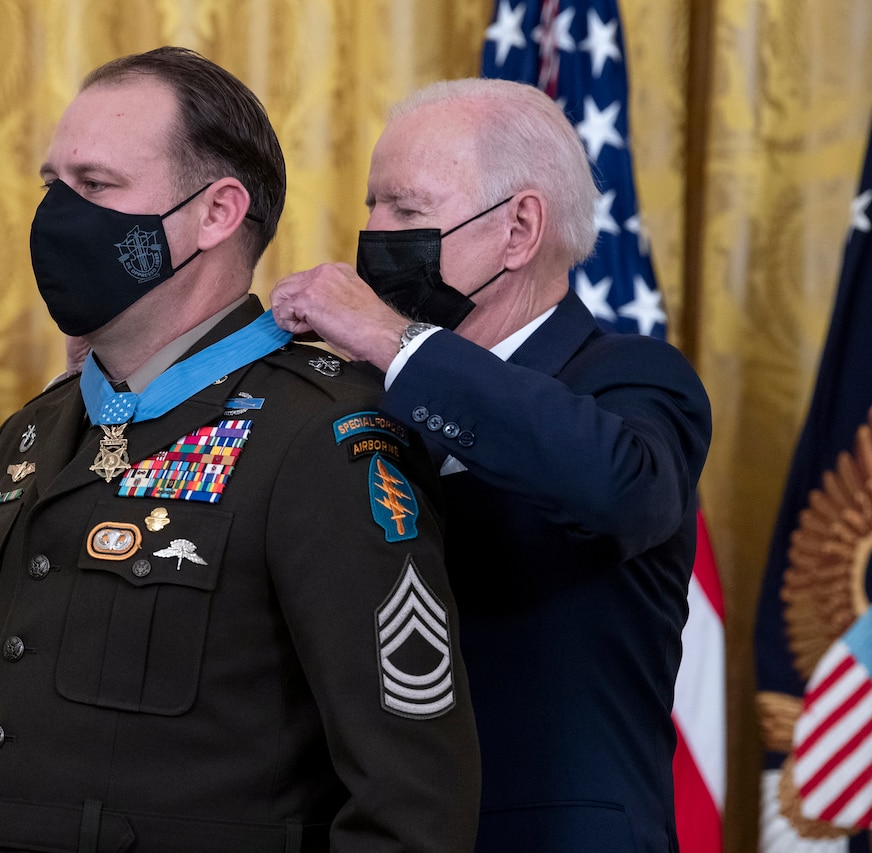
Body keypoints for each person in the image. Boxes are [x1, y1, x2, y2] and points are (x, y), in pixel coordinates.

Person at [0, 47, 481, 853]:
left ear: (217, 212)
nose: (59, 213)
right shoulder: (30, 435)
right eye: (53, 184)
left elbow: (410, 798)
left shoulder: (322, 435)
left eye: (96, 187)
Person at [271, 77, 713, 853]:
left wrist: (395, 341)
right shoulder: (355, 398)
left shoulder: (630, 378)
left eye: (406, 210)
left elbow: (621, 488)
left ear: (519, 229)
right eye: (372, 206)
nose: (374, 234)